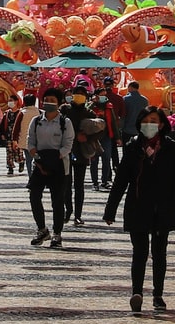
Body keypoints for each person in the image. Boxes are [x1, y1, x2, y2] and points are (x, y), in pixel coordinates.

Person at [104, 106, 175, 315]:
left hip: (163, 208)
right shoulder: (133, 148)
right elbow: (121, 179)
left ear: (161, 124)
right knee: (139, 252)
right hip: (138, 206)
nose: (149, 125)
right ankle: (137, 292)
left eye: (154, 121)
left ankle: (158, 294)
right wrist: (110, 209)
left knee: (159, 252)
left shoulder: (169, 147)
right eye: (146, 120)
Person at [27, 87, 75, 247]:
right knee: (34, 196)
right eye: (46, 100)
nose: (49, 103)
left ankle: (57, 233)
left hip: (60, 165)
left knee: (57, 200)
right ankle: (42, 229)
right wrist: (36, 155)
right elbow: (31, 141)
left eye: (53, 101)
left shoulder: (65, 122)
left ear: (59, 103)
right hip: (39, 164)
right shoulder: (36, 121)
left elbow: (68, 144)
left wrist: (56, 157)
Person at [66, 84, 101, 225]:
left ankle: (78, 215)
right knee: (66, 185)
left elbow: (100, 129)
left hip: (81, 152)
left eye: (82, 93)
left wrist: (87, 138)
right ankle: (68, 210)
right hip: (66, 152)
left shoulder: (89, 113)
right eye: (77, 93)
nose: (79, 95)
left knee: (79, 185)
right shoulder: (65, 110)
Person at [94, 84, 121, 188]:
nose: (103, 97)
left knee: (106, 158)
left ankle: (104, 180)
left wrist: (117, 137)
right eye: (101, 95)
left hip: (106, 136)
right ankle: (95, 182)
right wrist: (93, 103)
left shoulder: (109, 106)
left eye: (104, 95)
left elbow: (113, 122)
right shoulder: (92, 106)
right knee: (94, 160)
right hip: (94, 137)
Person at [0, 96, 25, 175]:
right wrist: (2, 133)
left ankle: (21, 161)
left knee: (18, 151)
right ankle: (10, 167)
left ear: (16, 102)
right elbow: (3, 124)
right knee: (9, 152)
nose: (10, 102)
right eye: (9, 100)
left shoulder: (20, 113)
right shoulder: (7, 113)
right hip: (8, 135)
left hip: (18, 136)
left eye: (11, 100)